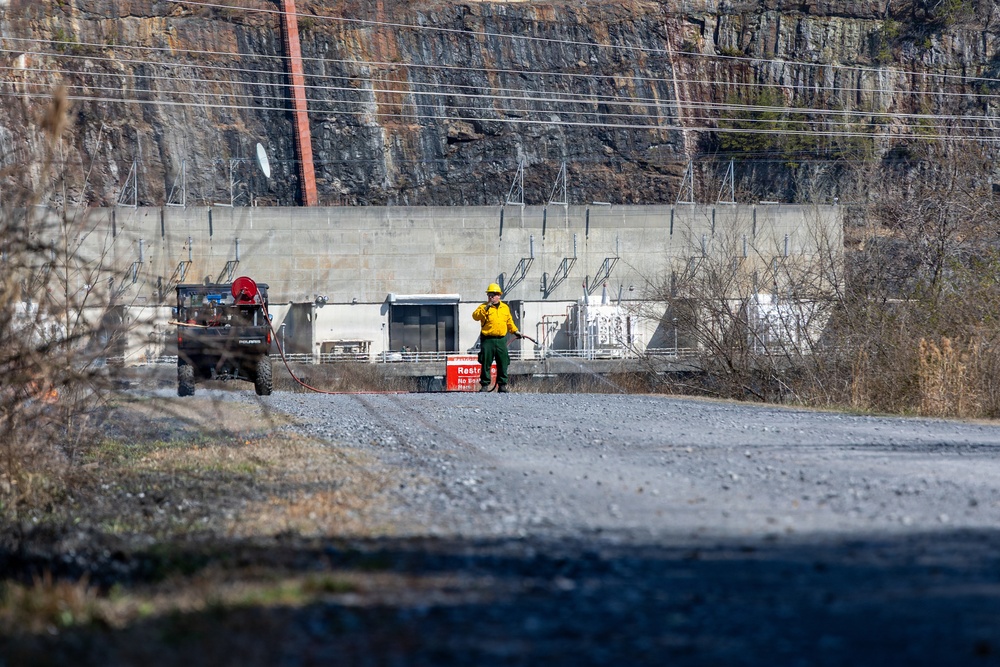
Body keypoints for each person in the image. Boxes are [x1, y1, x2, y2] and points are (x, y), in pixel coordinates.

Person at [472, 282, 522, 392]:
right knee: (486, 362)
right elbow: (475, 316)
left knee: (503, 362)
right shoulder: (483, 307)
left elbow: (509, 322)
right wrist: (486, 308)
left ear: (499, 295)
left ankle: (502, 385)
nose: (491, 297)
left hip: (501, 339)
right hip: (488, 339)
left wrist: (515, 331)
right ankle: (484, 385)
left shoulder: (505, 308)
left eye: (493, 295)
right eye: (489, 295)